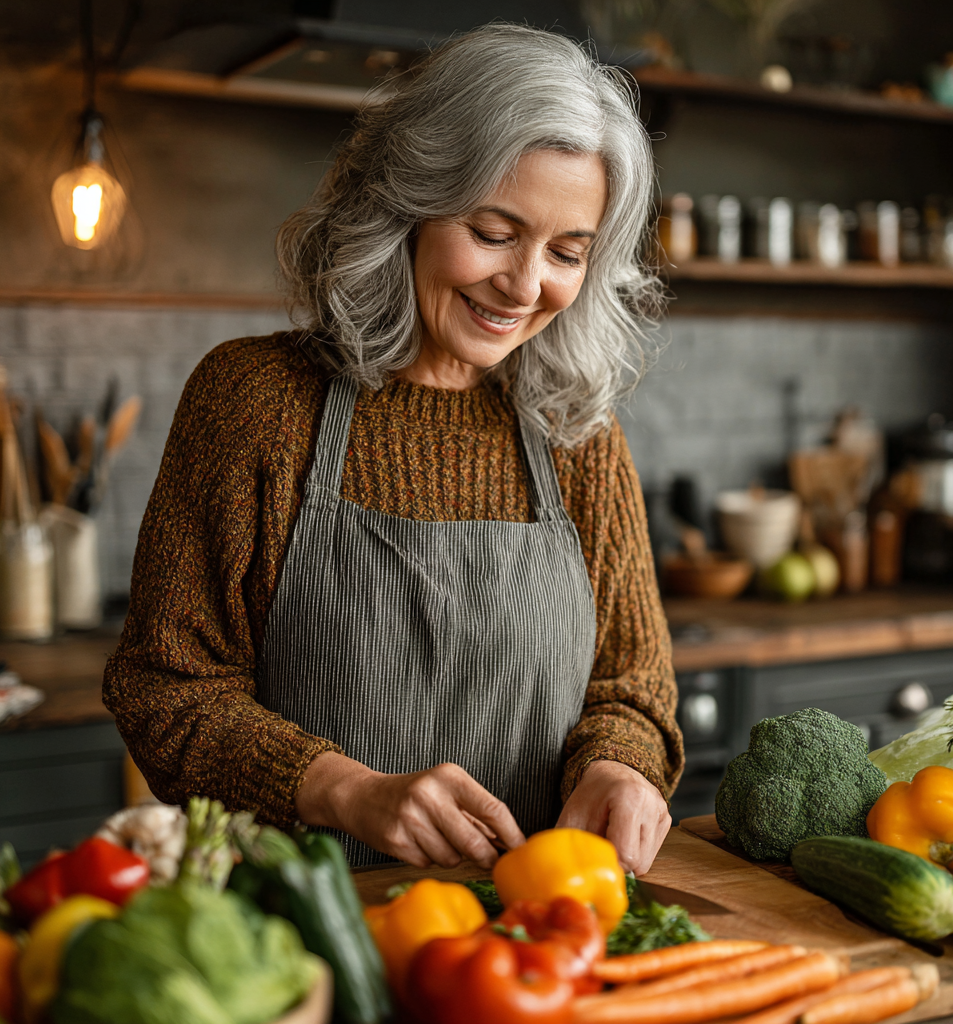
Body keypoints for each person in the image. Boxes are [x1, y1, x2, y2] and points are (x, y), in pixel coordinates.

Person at [104, 23, 684, 875]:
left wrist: (619, 764)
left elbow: (633, 685)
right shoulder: (256, 400)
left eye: (567, 252)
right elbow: (165, 687)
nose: (525, 286)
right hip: (301, 934)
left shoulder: (576, 432)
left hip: (528, 944)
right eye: (492, 232)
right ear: (407, 203)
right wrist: (343, 791)